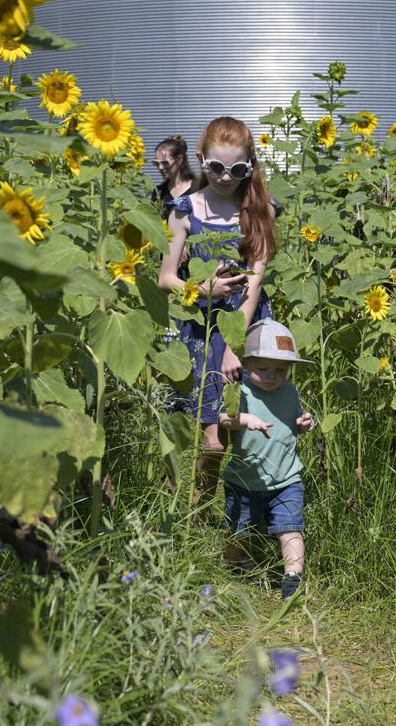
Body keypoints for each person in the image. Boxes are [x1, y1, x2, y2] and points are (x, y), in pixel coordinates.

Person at [158, 116, 278, 505]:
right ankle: (193, 510)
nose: (226, 177)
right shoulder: (183, 210)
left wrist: (234, 346)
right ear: (200, 160)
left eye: (237, 169)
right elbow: (166, 278)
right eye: (216, 168)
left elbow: (253, 285)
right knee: (206, 437)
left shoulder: (260, 210)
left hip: (243, 325)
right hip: (198, 328)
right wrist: (202, 289)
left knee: (241, 432)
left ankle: (236, 516)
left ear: (250, 166)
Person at [218, 319, 315, 599]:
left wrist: (303, 424)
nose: (272, 376)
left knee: (290, 529)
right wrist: (245, 419)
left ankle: (293, 580)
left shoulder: (290, 391)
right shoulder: (241, 391)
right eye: (263, 369)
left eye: (280, 370)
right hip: (244, 479)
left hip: (286, 479)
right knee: (237, 531)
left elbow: (291, 423)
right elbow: (223, 418)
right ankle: (233, 569)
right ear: (246, 364)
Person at [153, 134, 196, 211]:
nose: (160, 167)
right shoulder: (158, 193)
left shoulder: (198, 189)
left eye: (165, 163)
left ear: (179, 160)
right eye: (156, 163)